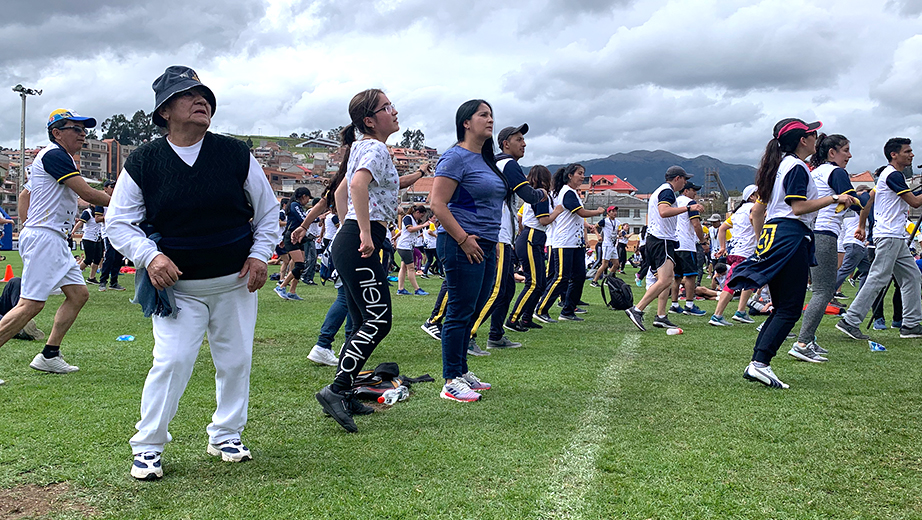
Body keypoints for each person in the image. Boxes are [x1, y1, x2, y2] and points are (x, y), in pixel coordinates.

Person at [106, 66, 278, 479]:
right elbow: (118, 222)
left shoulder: (236, 154)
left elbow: (268, 211)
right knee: (173, 361)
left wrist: (260, 254)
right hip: (177, 287)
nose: (202, 101)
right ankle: (148, 445)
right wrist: (149, 256)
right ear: (165, 110)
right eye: (189, 95)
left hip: (234, 282)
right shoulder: (145, 160)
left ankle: (226, 433)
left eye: (205, 95)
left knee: (236, 361)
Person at [314, 88, 428, 432]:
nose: (394, 111)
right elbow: (358, 186)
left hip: (351, 240)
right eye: (386, 107)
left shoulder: (362, 148)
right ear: (369, 120)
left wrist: (352, 226)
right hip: (360, 240)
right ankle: (335, 391)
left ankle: (344, 392)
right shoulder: (375, 147)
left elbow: (339, 192)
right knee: (378, 320)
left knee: (364, 319)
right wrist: (363, 231)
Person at [430, 99, 547, 402]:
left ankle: (462, 369)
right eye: (483, 115)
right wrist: (462, 238)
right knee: (459, 309)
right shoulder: (455, 158)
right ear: (466, 123)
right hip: (461, 241)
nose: (490, 119)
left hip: (487, 241)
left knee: (475, 306)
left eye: (491, 115)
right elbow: (438, 204)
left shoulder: (486, 161)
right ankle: (450, 379)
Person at [728, 118, 853, 389]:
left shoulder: (780, 166)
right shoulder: (796, 166)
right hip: (790, 233)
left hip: (778, 233)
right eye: (811, 134)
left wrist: (765, 239)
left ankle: (759, 363)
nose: (816, 137)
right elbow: (798, 207)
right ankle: (760, 364)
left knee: (784, 305)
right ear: (802, 141)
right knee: (790, 307)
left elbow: (759, 211)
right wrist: (835, 198)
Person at [0, 109, 110, 383]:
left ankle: (49, 354)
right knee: (30, 305)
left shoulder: (57, 159)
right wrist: (133, 201)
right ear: (57, 133)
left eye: (84, 129)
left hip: (52, 239)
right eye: (75, 128)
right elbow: (87, 193)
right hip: (45, 238)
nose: (82, 134)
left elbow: (28, 194)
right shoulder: (54, 155)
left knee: (78, 295)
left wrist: (28, 225)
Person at [836, 137, 922, 340]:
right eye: (907, 151)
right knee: (878, 277)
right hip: (890, 235)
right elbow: (915, 203)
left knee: (911, 276)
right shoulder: (894, 175)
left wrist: (861, 226)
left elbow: (869, 199)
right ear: (894, 154)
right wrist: (861, 225)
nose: (911, 154)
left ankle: (910, 324)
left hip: (894, 236)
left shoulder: (886, 174)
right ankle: (850, 320)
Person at [789, 134, 861, 361]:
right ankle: (802, 342)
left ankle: (807, 339)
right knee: (823, 290)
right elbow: (855, 203)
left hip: (810, 233)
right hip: (824, 233)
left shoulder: (814, 172)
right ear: (832, 153)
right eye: (845, 150)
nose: (849, 155)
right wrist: (869, 197)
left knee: (818, 288)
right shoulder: (836, 172)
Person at [624, 166, 702, 331]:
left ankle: (661, 316)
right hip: (662, 240)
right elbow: (664, 211)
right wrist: (688, 208)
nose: (686, 183)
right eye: (684, 179)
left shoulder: (663, 191)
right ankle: (637, 309)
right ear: (677, 178)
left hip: (658, 239)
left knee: (667, 279)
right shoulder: (667, 192)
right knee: (666, 279)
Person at [533, 164, 604, 323]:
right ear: (570, 175)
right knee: (561, 277)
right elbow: (581, 212)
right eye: (579, 173)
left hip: (575, 243)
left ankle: (567, 310)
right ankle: (541, 309)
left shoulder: (573, 193)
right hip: (564, 242)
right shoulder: (567, 192)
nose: (582, 177)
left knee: (579, 276)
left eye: (583, 174)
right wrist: (598, 212)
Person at [708, 185, 759, 326]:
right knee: (732, 284)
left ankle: (741, 311)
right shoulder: (753, 208)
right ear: (752, 196)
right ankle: (717, 315)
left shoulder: (737, 212)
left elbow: (722, 228)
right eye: (758, 194)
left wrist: (723, 246)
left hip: (736, 250)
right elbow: (753, 218)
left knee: (751, 280)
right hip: (746, 251)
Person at [669, 181, 708, 317]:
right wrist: (703, 242)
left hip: (675, 243)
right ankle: (689, 305)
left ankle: (674, 304)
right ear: (686, 191)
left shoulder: (674, 202)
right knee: (691, 275)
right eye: (693, 190)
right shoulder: (691, 204)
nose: (695, 193)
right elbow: (696, 224)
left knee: (677, 276)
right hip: (686, 244)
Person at [275, 187, 311, 300]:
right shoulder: (295, 205)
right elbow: (302, 218)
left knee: (300, 265)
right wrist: (315, 218)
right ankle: (282, 286)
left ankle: (292, 291)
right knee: (299, 264)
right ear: (304, 196)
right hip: (292, 237)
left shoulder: (298, 206)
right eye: (308, 198)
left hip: (299, 237)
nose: (308, 201)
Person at [96, 180, 126, 291]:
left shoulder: (119, 201)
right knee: (110, 256)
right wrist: (111, 217)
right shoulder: (101, 202)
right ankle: (103, 281)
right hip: (108, 233)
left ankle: (114, 282)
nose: (113, 189)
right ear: (105, 189)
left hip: (119, 232)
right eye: (111, 186)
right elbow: (97, 218)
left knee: (118, 258)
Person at [395, 204, 430, 295]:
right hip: (405, 246)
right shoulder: (408, 218)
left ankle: (401, 289)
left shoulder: (413, 219)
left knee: (403, 268)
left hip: (407, 246)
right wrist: (423, 225)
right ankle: (417, 289)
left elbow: (404, 231)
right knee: (410, 268)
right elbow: (409, 229)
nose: (421, 217)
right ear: (417, 212)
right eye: (421, 215)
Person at [71, 204, 104, 284]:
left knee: (98, 258)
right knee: (88, 259)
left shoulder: (100, 212)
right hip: (88, 238)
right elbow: (80, 222)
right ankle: (74, 274)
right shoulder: (88, 212)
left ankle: (91, 278)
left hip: (98, 238)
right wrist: (73, 231)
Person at [590, 206, 621, 287]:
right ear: (608, 213)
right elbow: (594, 227)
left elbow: (617, 232)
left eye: (615, 211)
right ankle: (594, 281)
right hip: (607, 245)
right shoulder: (605, 221)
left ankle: (608, 280)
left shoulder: (617, 222)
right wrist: (598, 236)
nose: (615, 213)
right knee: (605, 264)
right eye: (612, 211)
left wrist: (620, 234)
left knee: (616, 264)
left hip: (613, 245)